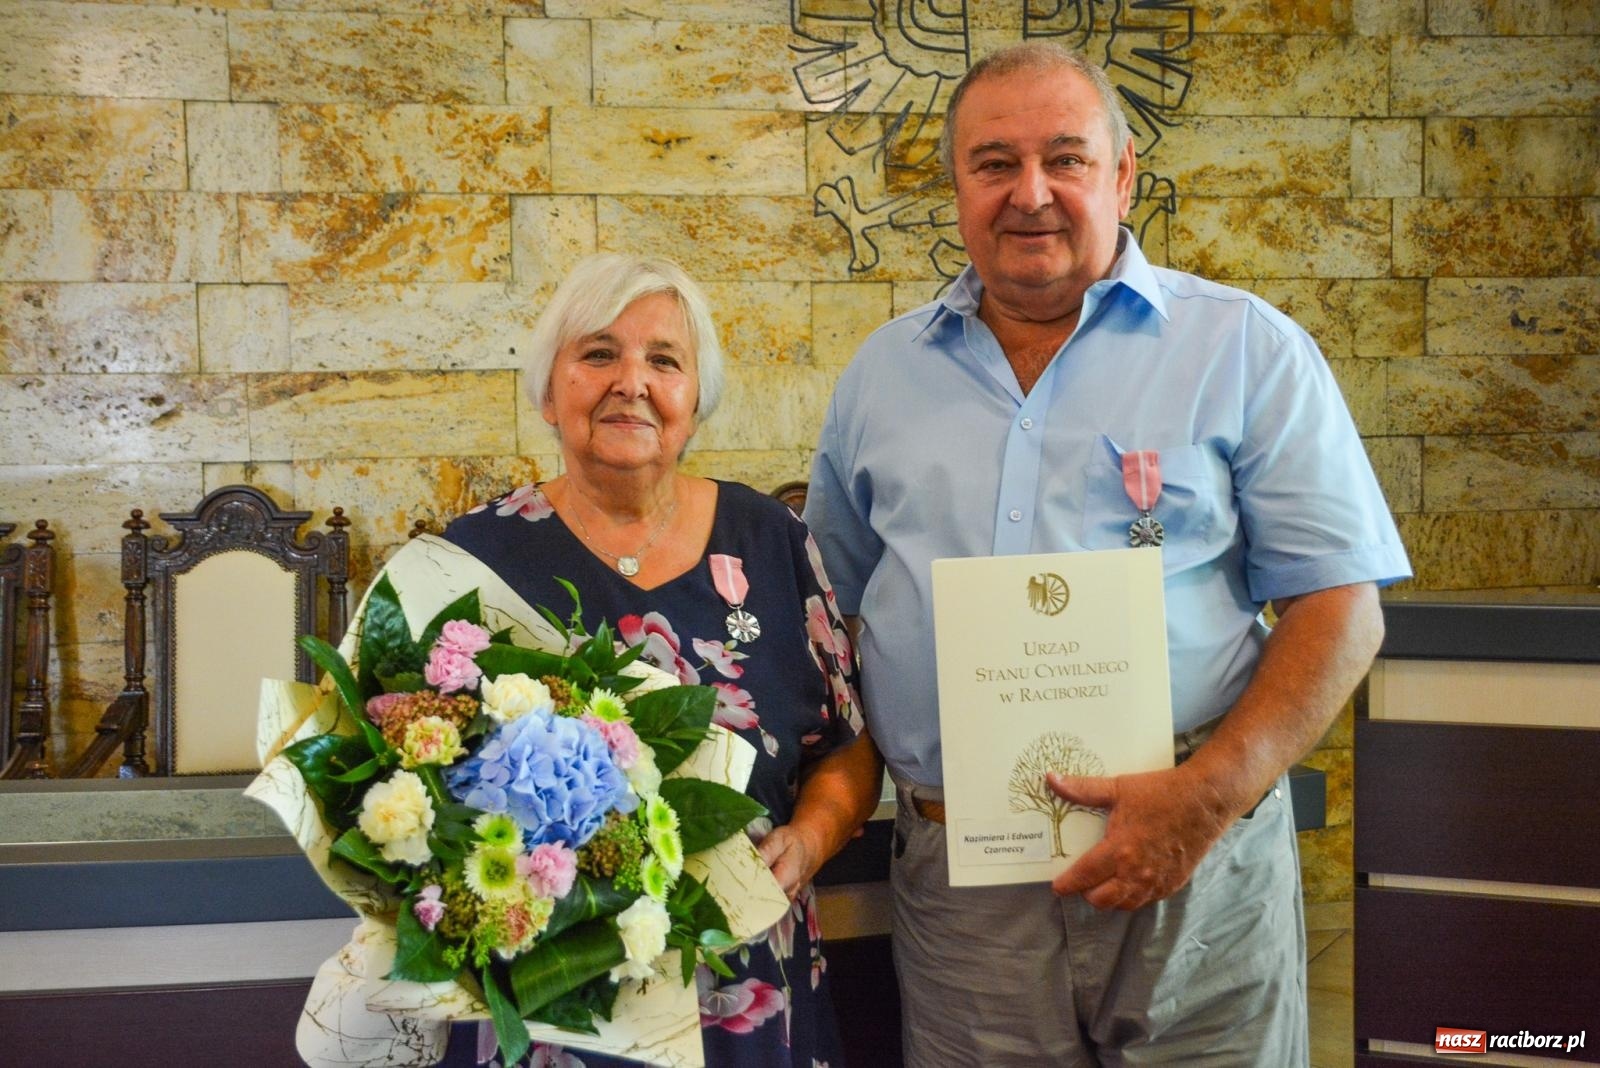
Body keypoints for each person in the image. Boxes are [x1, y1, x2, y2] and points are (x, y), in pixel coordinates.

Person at [805, 42, 1411, 1067]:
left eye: (1066, 158)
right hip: (964, 891)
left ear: (1123, 173)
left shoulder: (1244, 349)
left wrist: (1210, 794)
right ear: (953, 186)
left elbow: (1341, 609)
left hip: (1195, 870)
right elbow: (831, 611)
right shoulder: (881, 377)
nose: (1028, 193)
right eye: (993, 163)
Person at [442, 252, 882, 1066]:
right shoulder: (472, 560)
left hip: (744, 975)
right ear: (549, 390)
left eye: (664, 361)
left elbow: (848, 749)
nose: (631, 382)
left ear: (695, 398)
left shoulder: (772, 543)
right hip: (551, 991)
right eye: (598, 353)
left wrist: (812, 840)